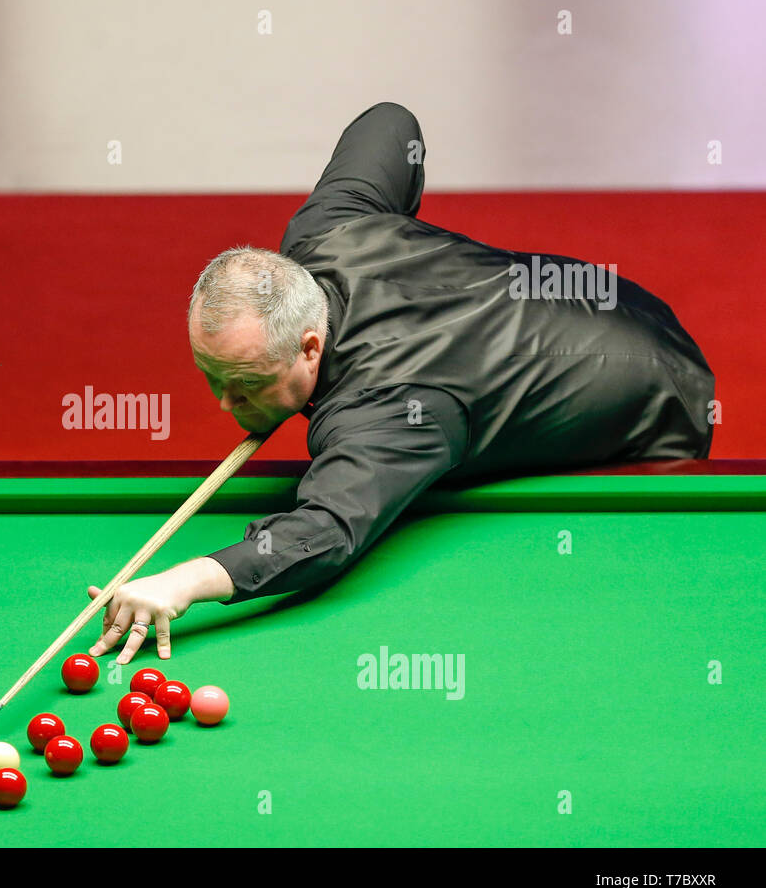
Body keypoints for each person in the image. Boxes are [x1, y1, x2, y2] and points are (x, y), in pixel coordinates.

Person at [89, 101, 715, 664]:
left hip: (662, 396)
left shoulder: (387, 411)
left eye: (247, 383)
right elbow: (390, 121)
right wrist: (398, 240)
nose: (224, 404)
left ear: (311, 346)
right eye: (212, 378)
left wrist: (182, 583)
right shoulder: (329, 229)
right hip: (612, 300)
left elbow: (326, 531)